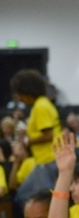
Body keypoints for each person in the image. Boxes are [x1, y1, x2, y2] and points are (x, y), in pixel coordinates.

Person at [10, 69, 62, 208]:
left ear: (27, 91)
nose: (19, 98)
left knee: (42, 203)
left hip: (48, 161)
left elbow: (48, 135)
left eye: (20, 93)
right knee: (22, 194)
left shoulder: (41, 106)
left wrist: (27, 141)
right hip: (44, 161)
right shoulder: (42, 104)